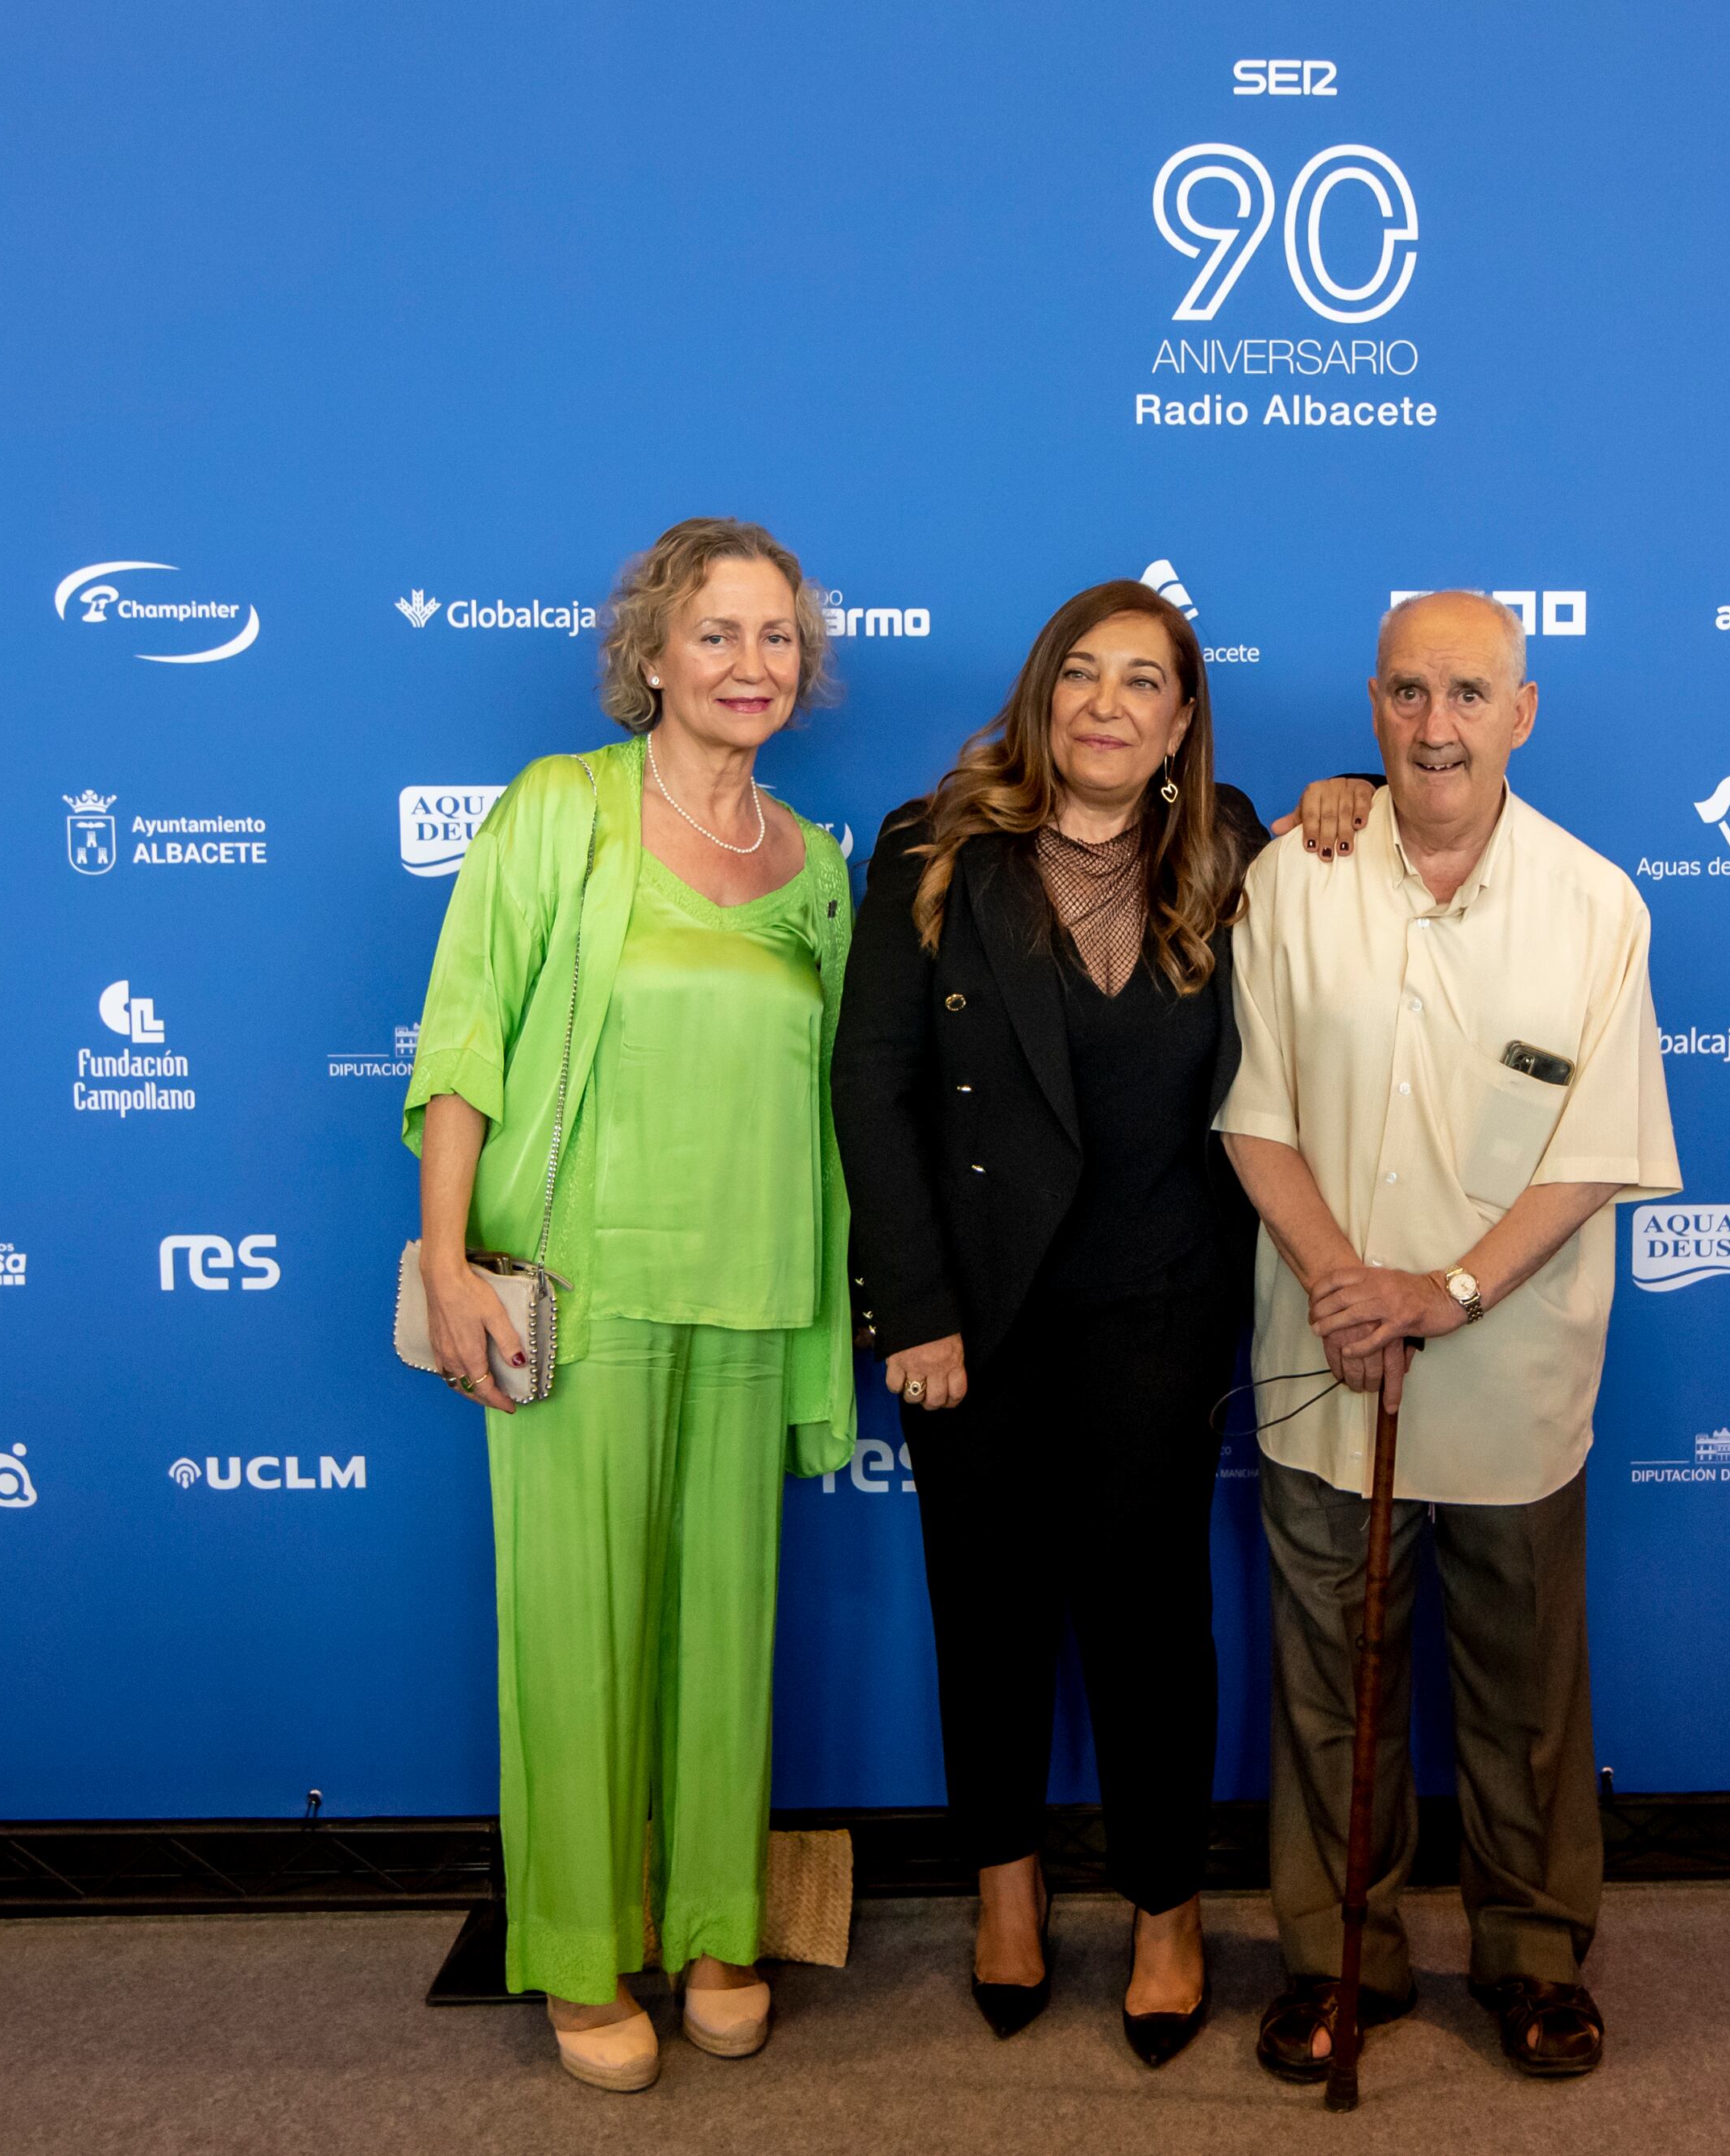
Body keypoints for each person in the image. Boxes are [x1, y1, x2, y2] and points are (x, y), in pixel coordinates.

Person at [404, 516, 857, 2094]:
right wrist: (449, 1262)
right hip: (576, 1302)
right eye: (717, 634)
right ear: (651, 656)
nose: (749, 664)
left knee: (725, 1641)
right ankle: (585, 1952)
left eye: (776, 637)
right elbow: (463, 1037)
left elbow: (834, 1107)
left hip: (750, 1299)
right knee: (576, 1642)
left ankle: (724, 1926)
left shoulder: (817, 871)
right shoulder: (560, 812)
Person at [1215, 590, 1681, 2084]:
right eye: (1408, 694)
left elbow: (1596, 1148)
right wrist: (1350, 1280)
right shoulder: (1293, 875)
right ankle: (1337, 1960)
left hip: (1513, 1367)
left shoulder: (1597, 904)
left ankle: (1534, 1955)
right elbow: (1254, 1113)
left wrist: (1446, 1291)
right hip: (1325, 1352)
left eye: (1469, 694)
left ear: (1522, 713)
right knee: (1326, 1686)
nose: (1436, 726)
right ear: (1370, 705)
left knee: (1523, 1688)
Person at [833, 579, 1278, 2069]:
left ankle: (1166, 1908)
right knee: (990, 1615)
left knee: (1156, 1623)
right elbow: (873, 1087)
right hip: (975, 1317)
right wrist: (914, 1307)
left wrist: (1347, 795)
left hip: (1160, 1299)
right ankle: (1005, 1890)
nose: (1105, 703)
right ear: (1041, 698)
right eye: (1079, 674)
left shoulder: (1234, 848)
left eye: (1141, 681)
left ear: (1180, 718)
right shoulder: (932, 845)